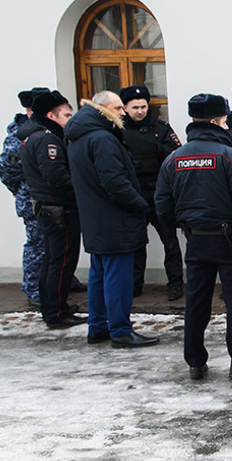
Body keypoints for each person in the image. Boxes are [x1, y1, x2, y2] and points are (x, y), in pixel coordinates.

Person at [157, 93, 232, 380]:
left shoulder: (174, 158)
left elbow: (162, 204)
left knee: (196, 302)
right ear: (217, 120)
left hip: (195, 239)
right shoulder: (230, 156)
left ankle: (195, 362)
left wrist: (184, 225)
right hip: (229, 239)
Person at [66, 91, 160, 349]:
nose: (122, 113)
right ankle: (120, 329)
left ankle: (98, 326)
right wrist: (141, 205)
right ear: (102, 110)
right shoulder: (102, 139)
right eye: (117, 108)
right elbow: (115, 182)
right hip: (115, 220)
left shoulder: (80, 136)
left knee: (99, 275)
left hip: (96, 220)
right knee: (118, 277)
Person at [17, 90, 85, 328]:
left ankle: (54, 307)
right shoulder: (47, 139)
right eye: (66, 115)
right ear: (51, 115)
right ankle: (56, 313)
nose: (70, 119)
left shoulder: (34, 136)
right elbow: (56, 176)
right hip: (59, 210)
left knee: (52, 261)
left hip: (49, 208)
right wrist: (80, 194)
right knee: (62, 262)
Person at [119, 85, 184, 300]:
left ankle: (175, 283)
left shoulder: (161, 129)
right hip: (133, 195)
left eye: (143, 106)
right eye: (135, 107)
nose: (140, 111)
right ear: (125, 108)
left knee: (170, 242)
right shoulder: (117, 132)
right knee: (136, 244)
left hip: (158, 194)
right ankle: (135, 285)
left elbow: (176, 158)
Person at [0, 87, 47, 307]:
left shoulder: (46, 130)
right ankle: (33, 288)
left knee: (53, 244)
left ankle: (63, 280)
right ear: (30, 109)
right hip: (31, 200)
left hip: (48, 197)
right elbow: (7, 171)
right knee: (37, 244)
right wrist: (19, 191)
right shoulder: (18, 135)